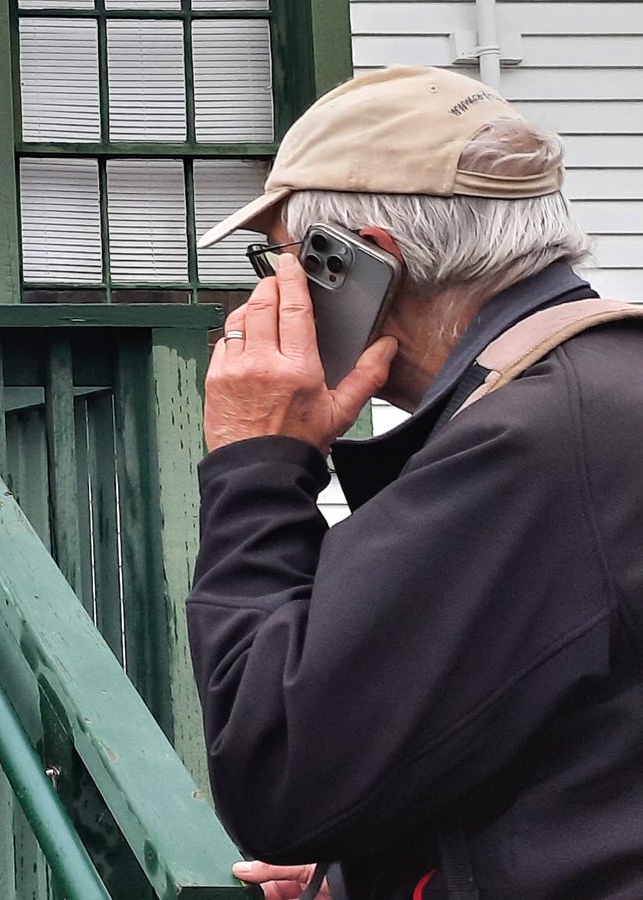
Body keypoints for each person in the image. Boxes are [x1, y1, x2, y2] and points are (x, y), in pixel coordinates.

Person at [190, 67, 643, 898]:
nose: (270, 291)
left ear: (362, 265)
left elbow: (282, 772)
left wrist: (256, 463)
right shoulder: (600, 400)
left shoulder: (530, 445)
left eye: (285, 261)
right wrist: (370, 856)